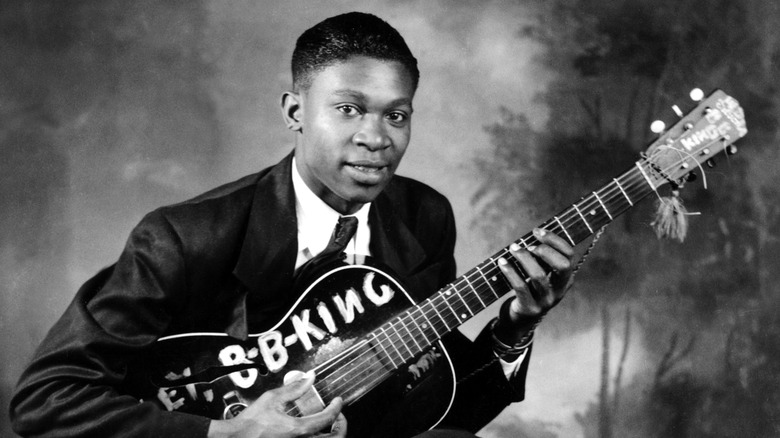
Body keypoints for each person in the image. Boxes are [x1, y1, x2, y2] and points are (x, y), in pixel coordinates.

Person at [10, 12, 574, 438]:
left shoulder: (424, 219)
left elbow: (431, 400)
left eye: (396, 115)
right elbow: (46, 398)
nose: (376, 139)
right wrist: (224, 432)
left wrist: (517, 324)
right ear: (295, 113)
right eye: (349, 109)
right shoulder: (183, 238)